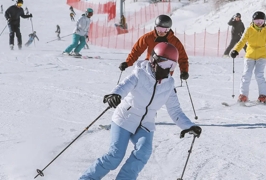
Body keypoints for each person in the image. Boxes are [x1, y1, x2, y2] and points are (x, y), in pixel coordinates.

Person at [79, 42, 202, 180]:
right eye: (165, 64)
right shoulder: (139, 74)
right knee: (115, 155)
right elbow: (124, 86)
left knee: (144, 152)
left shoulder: (168, 84)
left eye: (171, 66)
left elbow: (175, 110)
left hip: (146, 123)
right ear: (154, 60)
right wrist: (115, 95)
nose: (167, 70)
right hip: (125, 118)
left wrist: (189, 126)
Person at [119, 15, 189, 83]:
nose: (161, 32)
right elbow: (137, 50)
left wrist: (184, 71)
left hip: (165, 73)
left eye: (164, 30)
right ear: (155, 27)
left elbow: (182, 58)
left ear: (168, 29)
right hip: (149, 69)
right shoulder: (148, 37)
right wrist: (128, 62)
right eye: (159, 29)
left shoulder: (174, 41)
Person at [230, 11, 266, 103]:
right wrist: (236, 50)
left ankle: (263, 95)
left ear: (264, 21)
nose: (259, 23)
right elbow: (242, 41)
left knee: (259, 74)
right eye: (257, 21)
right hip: (249, 55)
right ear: (253, 21)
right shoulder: (249, 30)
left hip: (262, 56)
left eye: (261, 21)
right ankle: (243, 95)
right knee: (246, 74)